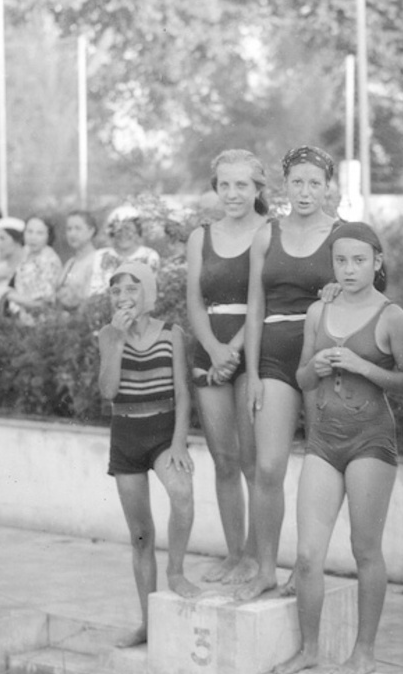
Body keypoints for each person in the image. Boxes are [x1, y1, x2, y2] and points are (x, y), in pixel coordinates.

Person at [272, 224, 403, 674]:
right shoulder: (319, 310)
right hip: (323, 440)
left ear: (376, 262)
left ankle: (364, 653)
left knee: (364, 550)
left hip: (370, 439)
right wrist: (312, 367)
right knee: (308, 555)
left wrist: (363, 366)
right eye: (341, 261)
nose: (349, 269)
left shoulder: (392, 317)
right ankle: (310, 649)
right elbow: (301, 379)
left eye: (358, 260)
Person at [234, 145, 345, 601]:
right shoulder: (267, 234)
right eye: (297, 182)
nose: (304, 191)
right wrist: (255, 373)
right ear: (285, 185)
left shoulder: (342, 235)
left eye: (314, 183)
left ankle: (307, 567)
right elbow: (255, 309)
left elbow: (369, 289)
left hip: (320, 354)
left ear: (327, 188)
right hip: (275, 358)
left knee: (319, 468)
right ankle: (265, 568)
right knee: (268, 465)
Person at [95, 262, 201, 647]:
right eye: (116, 291)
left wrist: (178, 442)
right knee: (140, 535)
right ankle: (147, 624)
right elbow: (107, 392)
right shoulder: (108, 334)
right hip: (125, 433)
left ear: (149, 293)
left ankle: (175, 571)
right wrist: (117, 340)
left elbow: (184, 391)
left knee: (183, 496)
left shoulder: (172, 333)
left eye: (132, 289)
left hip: (163, 432)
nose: (123, 298)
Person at [187, 149, 270, 586]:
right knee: (223, 460)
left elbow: (262, 300)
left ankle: (257, 556)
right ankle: (234, 553)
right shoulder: (202, 236)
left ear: (258, 188)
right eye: (225, 184)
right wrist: (214, 349)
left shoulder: (269, 232)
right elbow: (194, 302)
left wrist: (234, 350)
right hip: (211, 351)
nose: (233, 193)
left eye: (242, 184)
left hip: (252, 350)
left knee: (253, 463)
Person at [3, 215, 64, 318]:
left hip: (40, 319)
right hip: (19, 316)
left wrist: (9, 295)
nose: (33, 237)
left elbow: (44, 303)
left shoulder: (49, 260)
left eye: (39, 233)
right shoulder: (26, 253)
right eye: (29, 231)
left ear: (48, 236)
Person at [57, 211, 120, 310]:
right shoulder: (70, 263)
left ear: (91, 231)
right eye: (69, 229)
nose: (72, 233)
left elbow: (99, 299)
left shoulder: (98, 260)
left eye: (78, 228)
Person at [108, 205, 163, 273]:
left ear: (138, 231)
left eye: (128, 229)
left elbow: (150, 282)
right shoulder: (99, 256)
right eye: (118, 230)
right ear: (112, 233)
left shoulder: (149, 256)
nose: (123, 234)